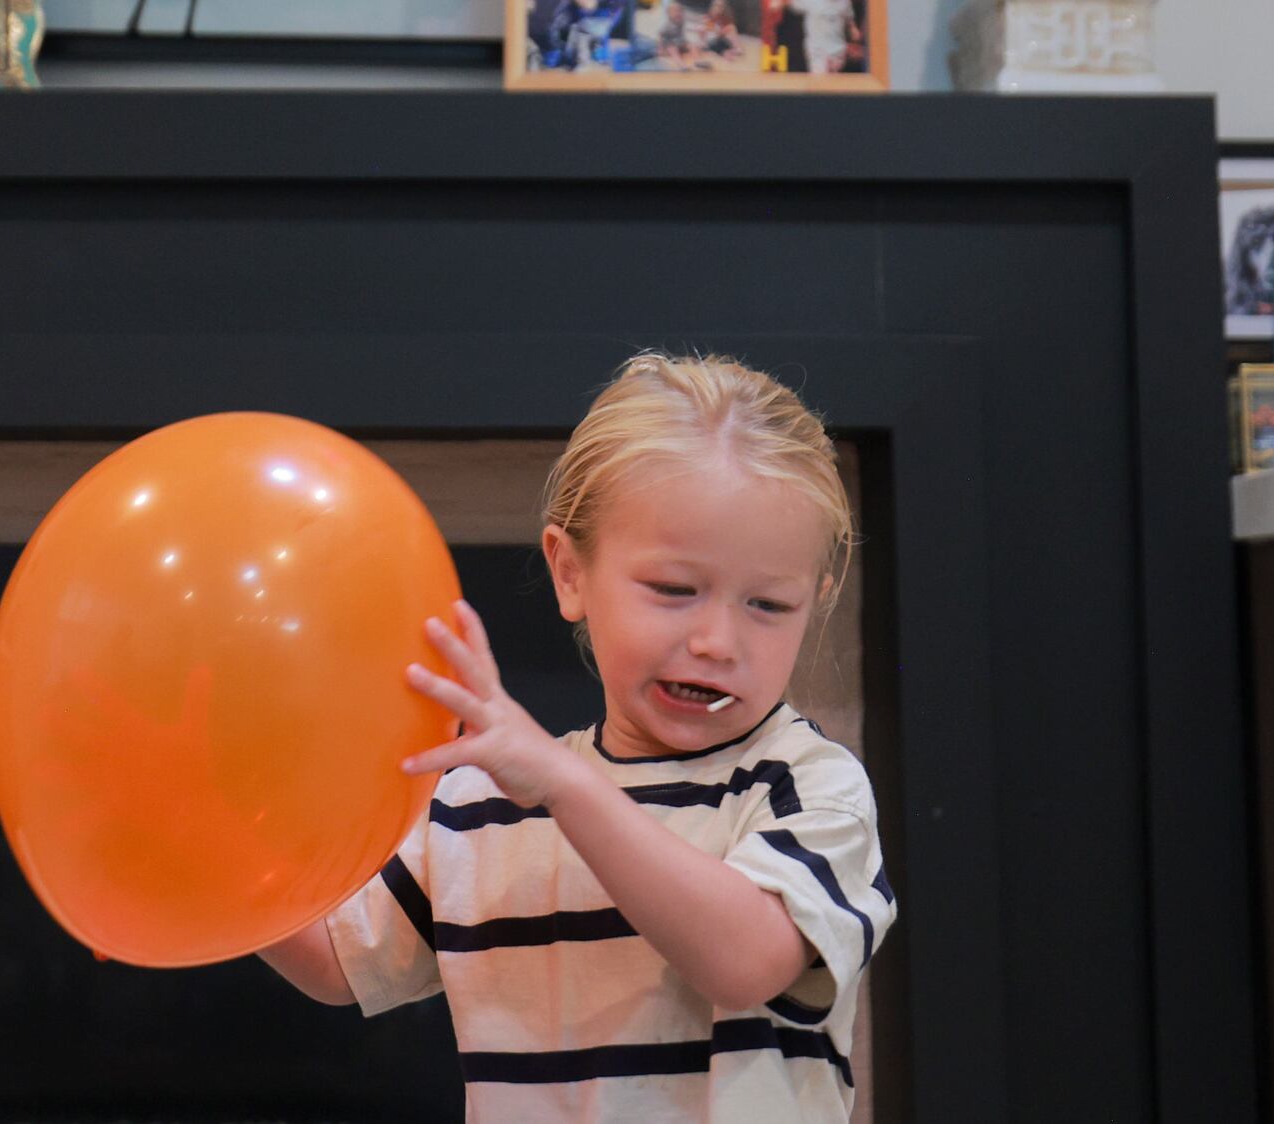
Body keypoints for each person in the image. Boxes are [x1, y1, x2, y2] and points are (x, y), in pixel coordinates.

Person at [256, 354, 897, 1119]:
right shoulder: (478, 800)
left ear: (817, 599)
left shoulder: (808, 786)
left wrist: (564, 786)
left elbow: (746, 961)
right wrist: (198, 859)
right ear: (570, 574)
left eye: (768, 605)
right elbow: (338, 960)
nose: (719, 639)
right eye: (673, 590)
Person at [787, 0, 860, 74]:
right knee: (820, 76)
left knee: (833, 78)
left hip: (838, 48)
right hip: (817, 49)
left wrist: (853, 28)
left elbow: (848, 16)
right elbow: (792, 1)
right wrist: (780, 2)